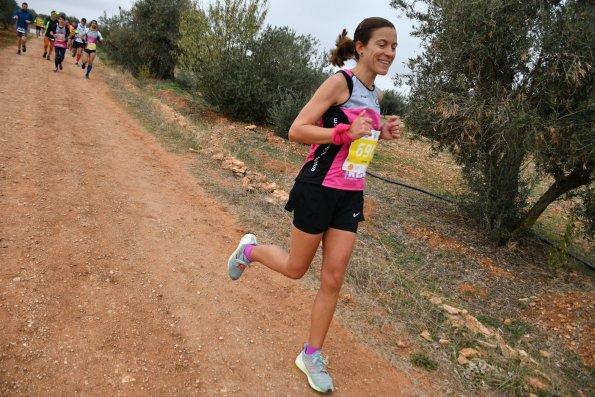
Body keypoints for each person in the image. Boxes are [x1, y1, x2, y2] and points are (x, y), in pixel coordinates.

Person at [226, 17, 401, 394]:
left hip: (351, 193)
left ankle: (311, 354)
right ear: (361, 47)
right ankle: (250, 251)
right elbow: (297, 129)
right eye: (382, 44)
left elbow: (361, 137)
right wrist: (341, 133)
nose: (389, 52)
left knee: (333, 278)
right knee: (295, 268)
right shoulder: (340, 82)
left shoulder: (376, 96)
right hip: (317, 186)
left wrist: (379, 132)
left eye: (394, 46)